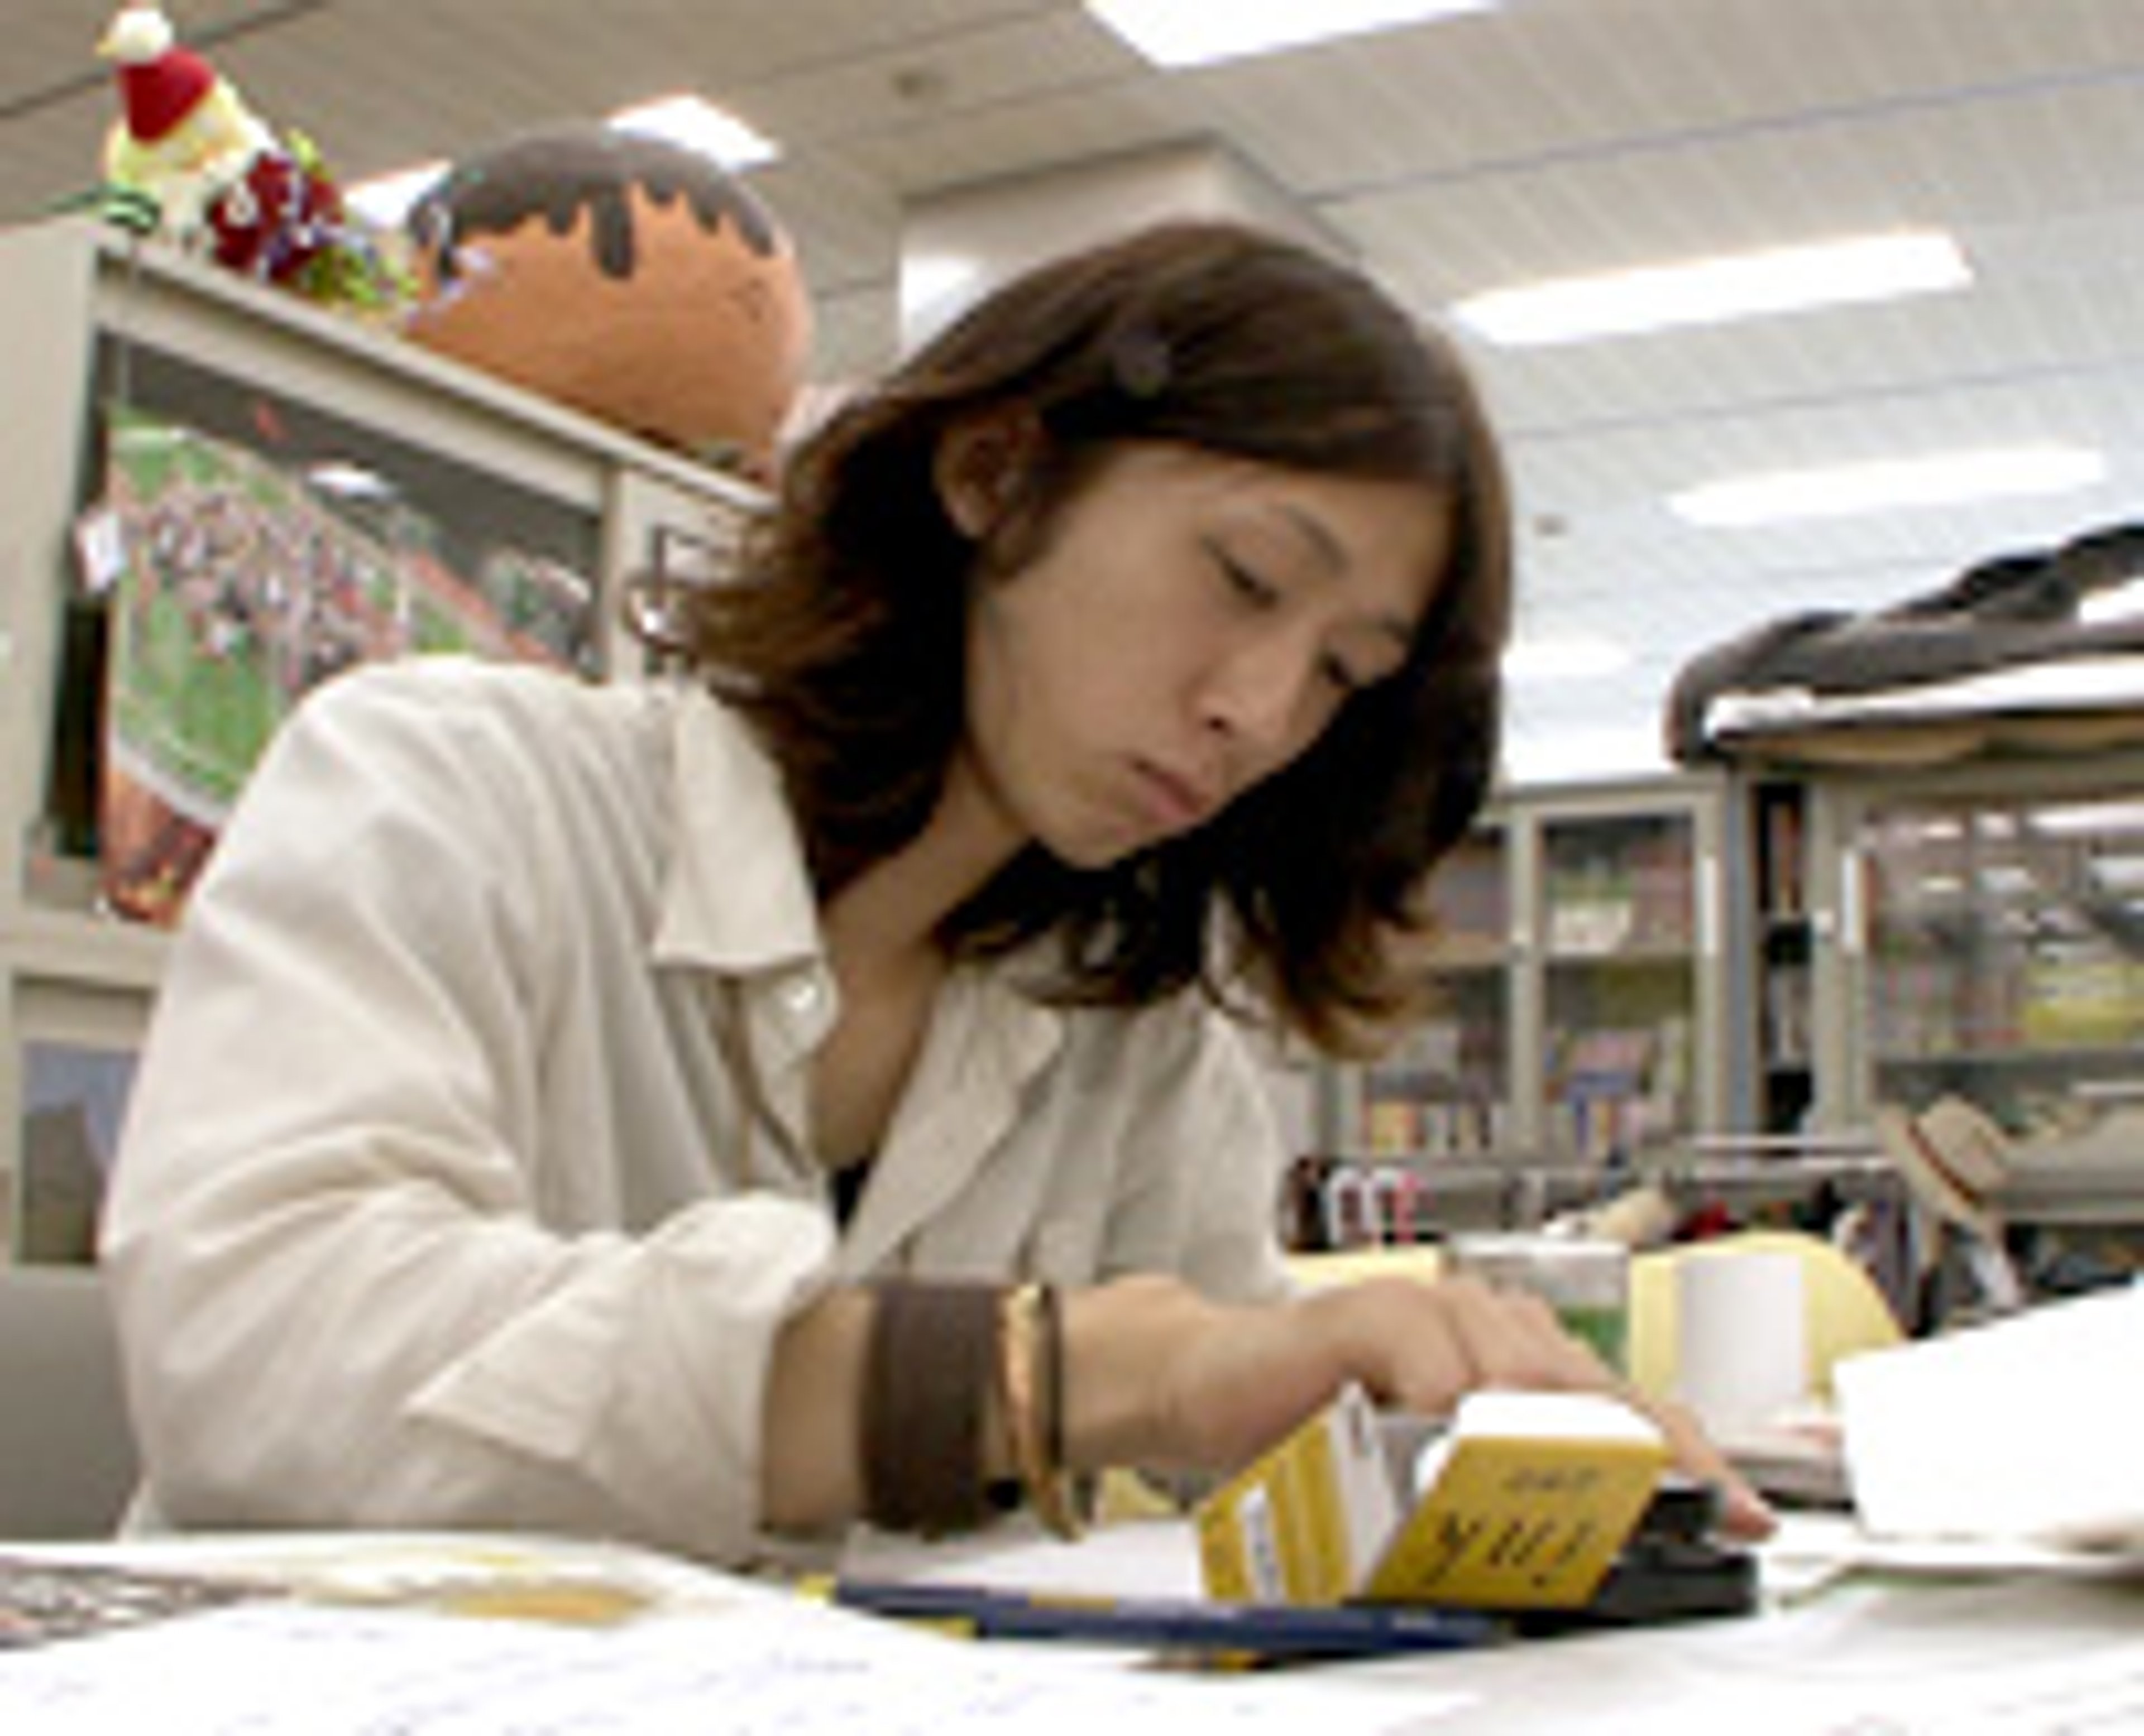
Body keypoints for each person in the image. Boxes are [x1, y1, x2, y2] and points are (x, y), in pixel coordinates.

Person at [101, 219, 1770, 1569]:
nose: (1260, 713)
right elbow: (259, 1366)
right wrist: (1063, 1375)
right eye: (1246, 580)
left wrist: (1499, 1474)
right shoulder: (449, 789)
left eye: (1341, 671)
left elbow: (1230, 1493)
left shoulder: (1133, 1036)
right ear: (997, 476)